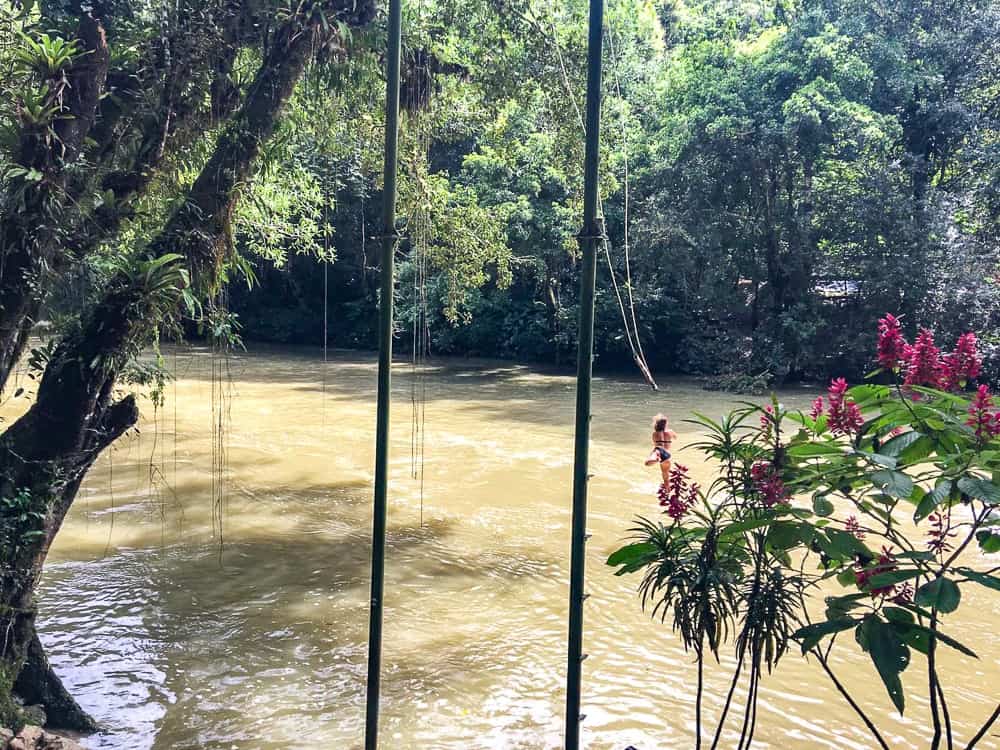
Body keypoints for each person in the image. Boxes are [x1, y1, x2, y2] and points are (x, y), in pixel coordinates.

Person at [645, 413, 676, 486]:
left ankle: (657, 459)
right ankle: (667, 488)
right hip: (667, 454)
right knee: (665, 474)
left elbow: (654, 443)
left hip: (659, 450)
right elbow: (675, 437)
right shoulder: (670, 432)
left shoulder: (655, 433)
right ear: (666, 424)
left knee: (647, 463)